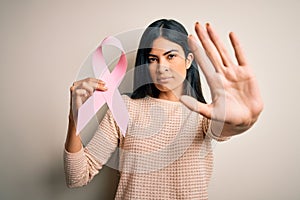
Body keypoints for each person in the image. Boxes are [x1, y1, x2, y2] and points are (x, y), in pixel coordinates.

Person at [64, 19, 263, 199]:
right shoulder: (125, 108)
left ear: (189, 60)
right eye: (153, 59)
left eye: (171, 56)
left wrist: (242, 122)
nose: (161, 67)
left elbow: (228, 127)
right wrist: (75, 119)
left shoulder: (204, 114)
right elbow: (78, 177)